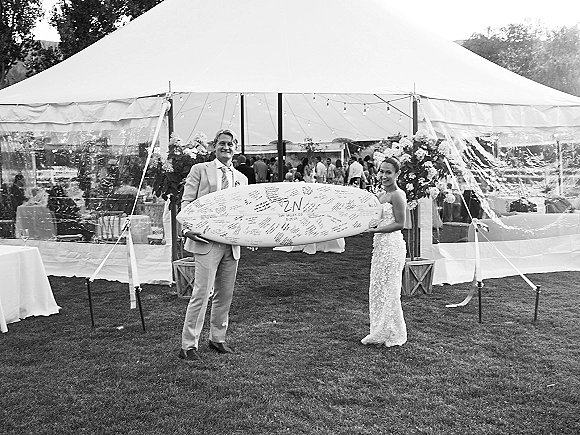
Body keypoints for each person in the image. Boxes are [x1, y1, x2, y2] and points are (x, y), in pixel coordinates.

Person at [178, 128, 249, 361]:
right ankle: (188, 345)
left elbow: (245, 211)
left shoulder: (242, 178)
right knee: (201, 293)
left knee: (225, 294)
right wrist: (187, 229)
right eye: (221, 143)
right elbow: (187, 202)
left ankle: (217, 339)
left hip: (232, 243)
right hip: (206, 242)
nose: (226, 147)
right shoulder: (200, 170)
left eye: (230, 144)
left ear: (235, 147)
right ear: (214, 146)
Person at [362, 157, 407, 347]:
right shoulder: (379, 196)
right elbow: (376, 219)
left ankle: (394, 333)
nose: (384, 175)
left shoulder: (398, 195)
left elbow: (400, 224)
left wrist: (376, 230)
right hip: (380, 246)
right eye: (382, 171)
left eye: (389, 172)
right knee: (378, 288)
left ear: (397, 174)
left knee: (390, 289)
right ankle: (379, 331)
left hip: (392, 246)